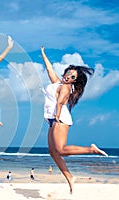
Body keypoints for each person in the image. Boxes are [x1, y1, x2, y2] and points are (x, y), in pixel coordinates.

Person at [41, 46, 108, 194]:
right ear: (65, 72)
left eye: (72, 77)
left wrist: (57, 115)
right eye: (68, 74)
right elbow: (50, 70)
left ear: (75, 81)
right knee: (53, 152)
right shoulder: (58, 83)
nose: (68, 78)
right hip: (53, 119)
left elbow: (59, 102)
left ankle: (91, 149)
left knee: (61, 150)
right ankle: (70, 178)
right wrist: (43, 55)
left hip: (60, 119)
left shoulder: (67, 87)